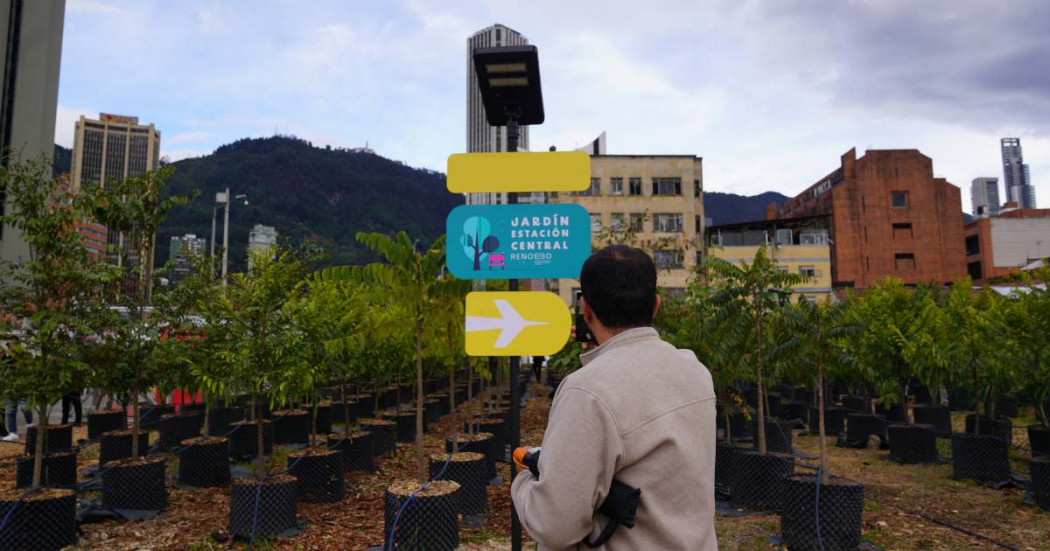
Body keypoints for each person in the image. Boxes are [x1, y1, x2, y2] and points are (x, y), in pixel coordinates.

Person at [511, 245, 717, 550]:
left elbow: (554, 525)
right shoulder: (696, 371)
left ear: (586, 311)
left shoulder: (587, 391)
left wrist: (523, 482)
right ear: (656, 306)